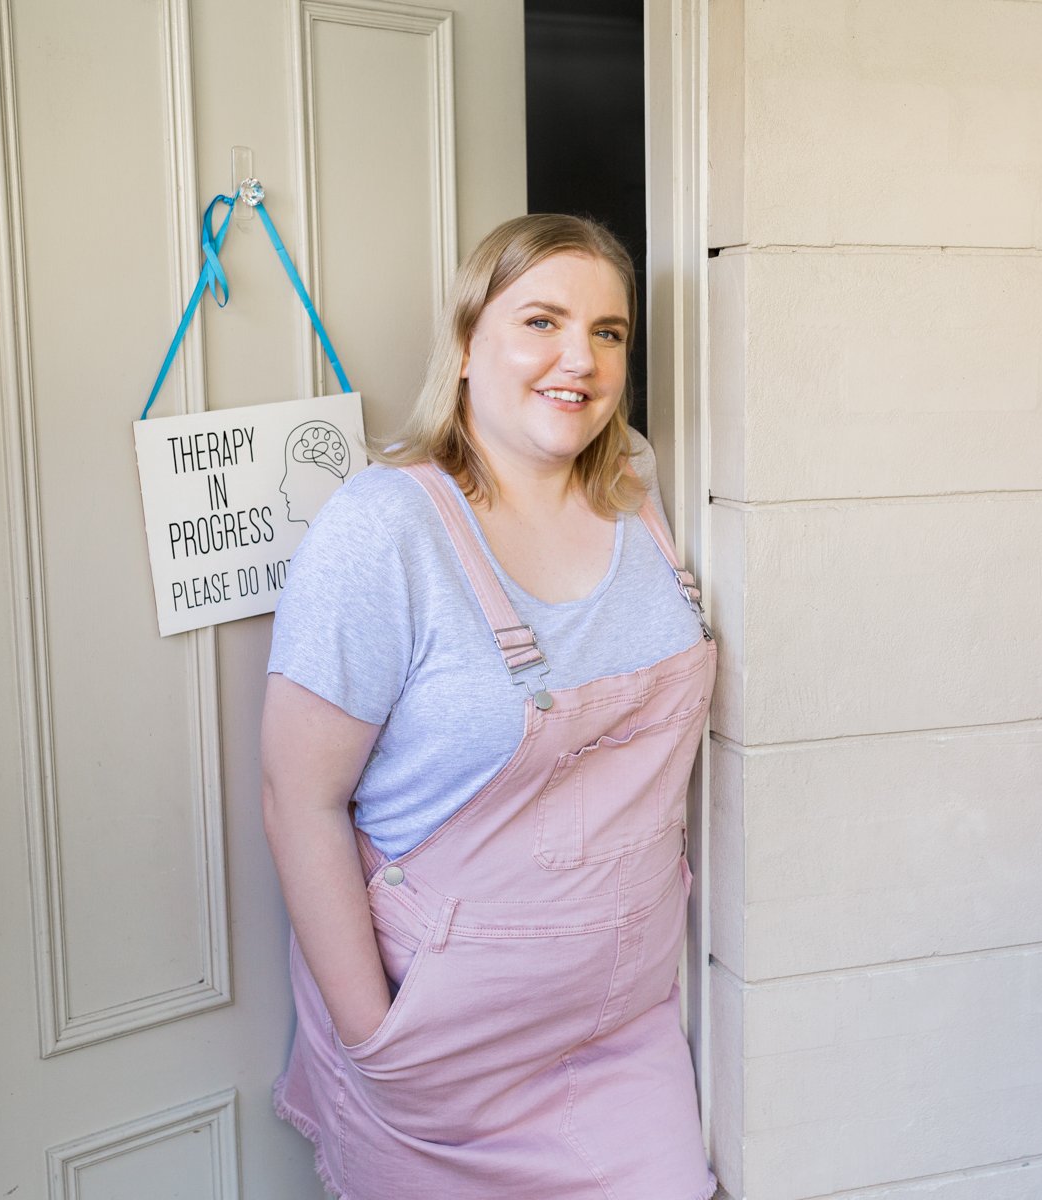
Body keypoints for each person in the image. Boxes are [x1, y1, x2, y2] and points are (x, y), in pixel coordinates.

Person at [261, 213, 718, 1199]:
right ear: (468, 344)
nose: (580, 359)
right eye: (542, 322)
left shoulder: (636, 486)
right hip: (441, 1060)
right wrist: (373, 1036)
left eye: (608, 332)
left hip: (621, 1027)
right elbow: (297, 798)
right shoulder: (383, 532)